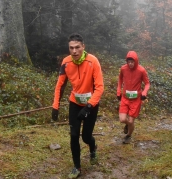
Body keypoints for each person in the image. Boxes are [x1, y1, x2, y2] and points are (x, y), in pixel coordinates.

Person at [51, 33, 104, 179]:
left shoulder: (93, 61)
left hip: (90, 104)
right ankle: (77, 167)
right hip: (74, 103)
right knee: (74, 135)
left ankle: (93, 148)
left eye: (77, 48)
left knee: (86, 137)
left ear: (83, 47)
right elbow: (60, 85)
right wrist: (55, 106)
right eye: (71, 48)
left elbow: (100, 88)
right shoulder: (66, 62)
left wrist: (88, 106)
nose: (74, 51)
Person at [116, 51, 150, 144]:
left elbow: (147, 83)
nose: (130, 64)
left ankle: (128, 136)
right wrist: (118, 91)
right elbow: (120, 80)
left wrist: (144, 92)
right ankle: (127, 125)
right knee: (122, 119)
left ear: (136, 61)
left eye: (132, 62)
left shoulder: (141, 70)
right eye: (128, 62)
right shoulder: (123, 68)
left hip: (136, 100)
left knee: (131, 121)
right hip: (125, 98)